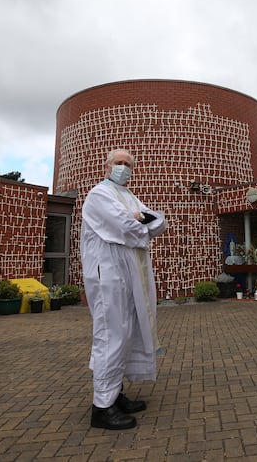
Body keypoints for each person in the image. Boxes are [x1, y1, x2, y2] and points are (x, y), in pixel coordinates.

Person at [80, 148, 168, 430]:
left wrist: (144, 220)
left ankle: (114, 394)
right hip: (108, 274)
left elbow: (158, 220)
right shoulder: (99, 195)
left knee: (126, 332)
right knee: (110, 334)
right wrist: (144, 220)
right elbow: (128, 225)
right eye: (119, 163)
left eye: (129, 164)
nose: (124, 168)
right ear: (106, 166)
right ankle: (101, 408)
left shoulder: (129, 196)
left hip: (128, 273)